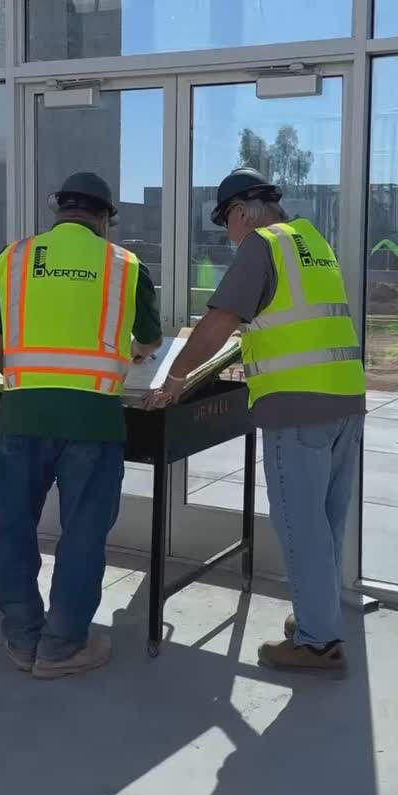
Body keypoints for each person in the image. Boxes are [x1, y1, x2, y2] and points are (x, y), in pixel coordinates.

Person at [145, 168, 366, 676]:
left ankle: (317, 645)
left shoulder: (261, 245)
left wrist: (176, 378)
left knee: (299, 525)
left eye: (227, 224)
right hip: (344, 399)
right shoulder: (311, 242)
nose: (229, 236)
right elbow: (293, 321)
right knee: (326, 523)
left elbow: (221, 317)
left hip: (297, 407)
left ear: (242, 212)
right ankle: (319, 617)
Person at [0, 172, 162, 679]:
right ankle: (62, 645)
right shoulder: (125, 264)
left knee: (15, 525)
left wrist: (27, 373)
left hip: (22, 413)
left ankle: (21, 637)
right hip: (94, 419)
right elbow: (148, 339)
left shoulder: (12, 259)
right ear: (105, 218)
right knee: (82, 532)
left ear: (59, 210)